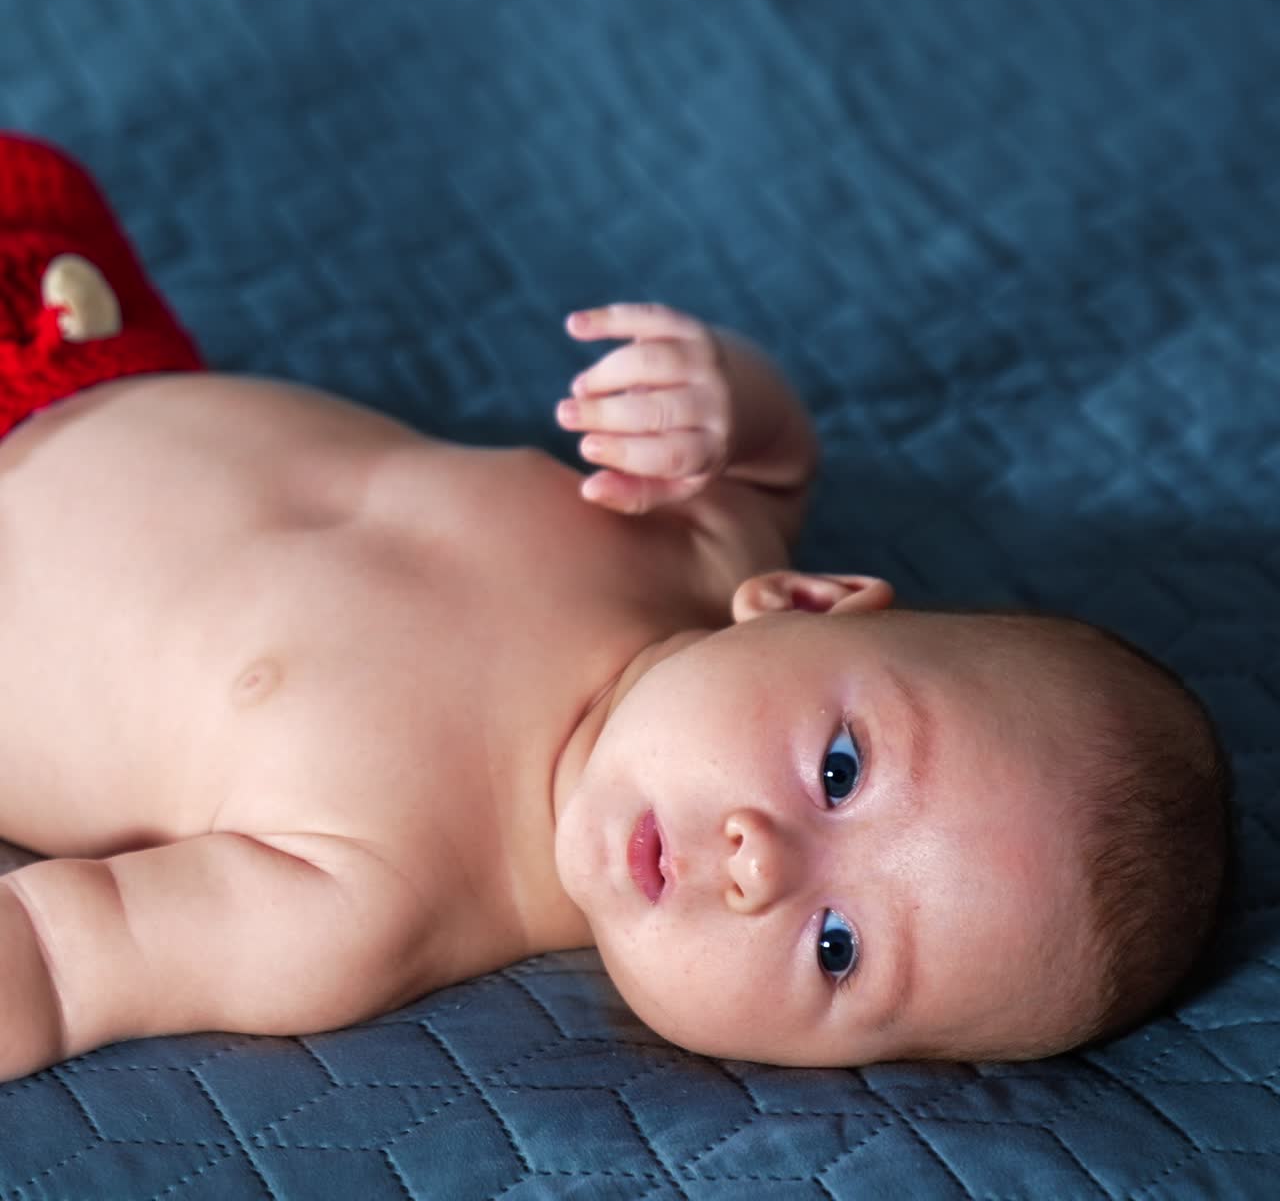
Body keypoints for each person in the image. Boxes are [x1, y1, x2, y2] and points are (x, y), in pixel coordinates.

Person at [0, 133, 1229, 1081]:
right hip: (72, 335)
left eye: (836, 947)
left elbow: (60, 958)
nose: (760, 862)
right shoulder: (705, 547)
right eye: (841, 768)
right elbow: (774, 451)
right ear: (806, 603)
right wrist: (719, 393)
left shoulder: (365, 905)